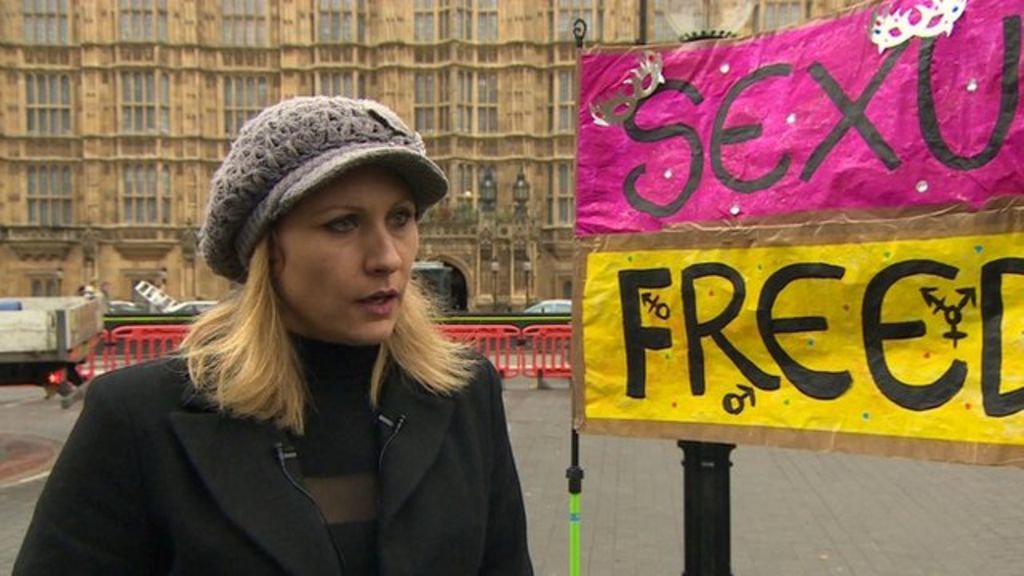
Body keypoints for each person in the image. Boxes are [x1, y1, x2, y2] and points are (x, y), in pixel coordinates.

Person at [15, 96, 533, 575]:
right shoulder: (135, 421)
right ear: (267, 251)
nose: (388, 257)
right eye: (342, 224)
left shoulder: (465, 393)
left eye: (400, 218)